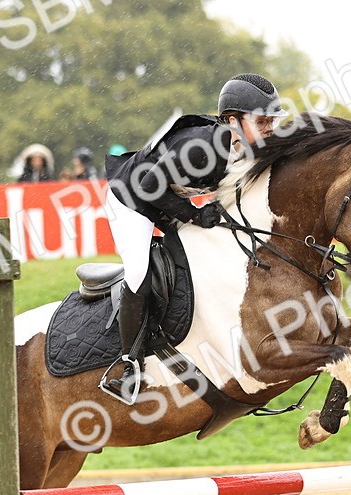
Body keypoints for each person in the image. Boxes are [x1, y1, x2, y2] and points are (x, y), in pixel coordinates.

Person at [98, 73, 285, 403]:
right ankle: (128, 366)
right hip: (130, 197)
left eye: (272, 121)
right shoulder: (202, 148)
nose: (270, 128)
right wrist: (194, 214)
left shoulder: (246, 148)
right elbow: (147, 185)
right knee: (140, 273)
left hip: (165, 195)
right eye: (263, 121)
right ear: (233, 121)